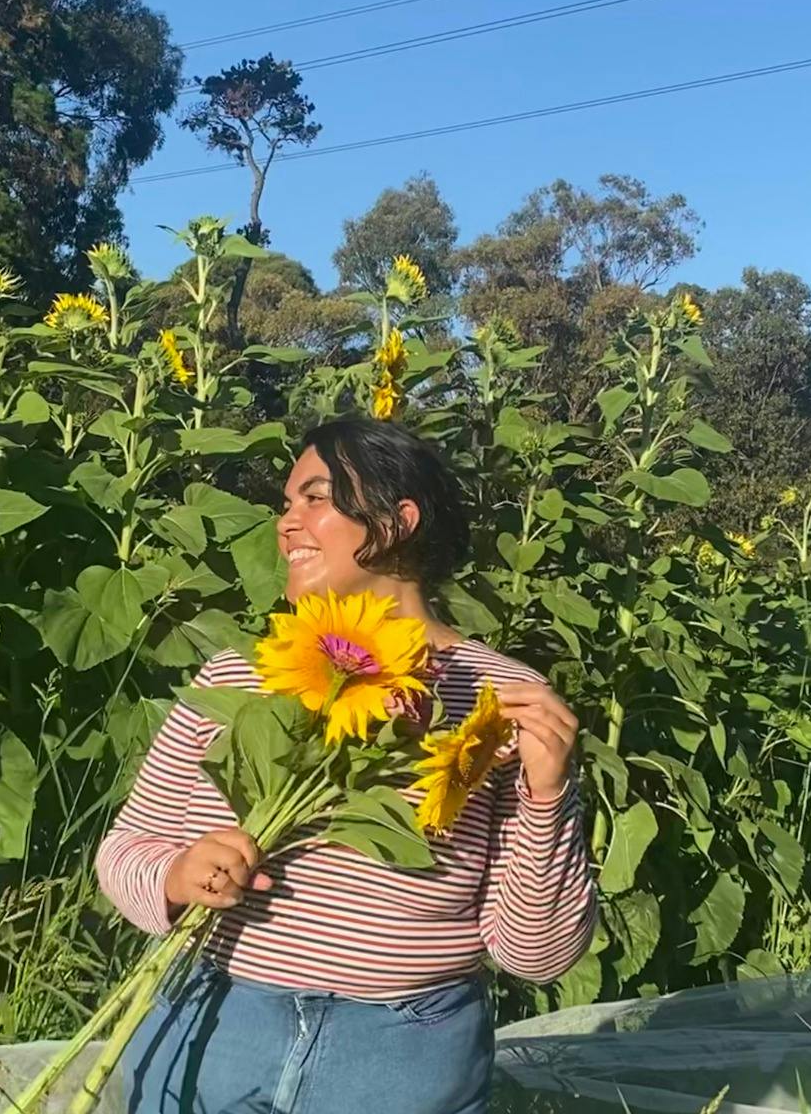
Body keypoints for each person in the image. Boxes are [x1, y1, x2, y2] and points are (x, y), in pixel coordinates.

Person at [97, 419, 597, 1114]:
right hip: (214, 1025)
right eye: (285, 504)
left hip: (399, 1054)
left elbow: (535, 956)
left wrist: (547, 797)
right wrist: (177, 877)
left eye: (315, 498)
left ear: (397, 520)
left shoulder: (502, 704)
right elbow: (124, 852)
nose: (286, 524)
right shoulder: (244, 675)